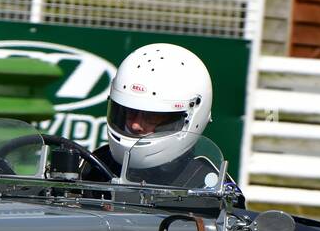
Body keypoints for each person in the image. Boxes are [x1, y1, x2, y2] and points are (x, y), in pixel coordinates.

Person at [85, 42, 228, 192]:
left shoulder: (209, 185)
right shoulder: (95, 165)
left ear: (189, 118)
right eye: (129, 112)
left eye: (151, 116)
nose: (135, 125)